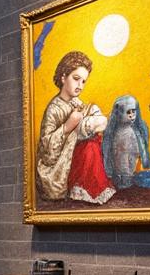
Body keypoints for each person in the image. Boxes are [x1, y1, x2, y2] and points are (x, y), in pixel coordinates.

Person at [36, 50, 113, 203]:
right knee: (89, 147)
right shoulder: (54, 109)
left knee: (92, 143)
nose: (80, 85)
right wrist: (67, 126)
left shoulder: (77, 102)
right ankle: (85, 190)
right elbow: (47, 153)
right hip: (58, 168)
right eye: (76, 78)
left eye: (84, 81)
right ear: (63, 77)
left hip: (74, 158)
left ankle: (93, 188)